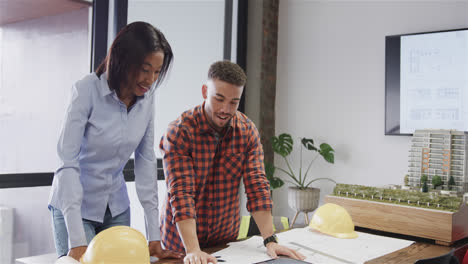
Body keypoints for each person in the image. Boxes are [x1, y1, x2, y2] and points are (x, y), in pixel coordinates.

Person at [48, 21, 182, 261]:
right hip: (76, 209)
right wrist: (77, 240)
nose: (150, 79)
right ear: (123, 60)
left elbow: (145, 160)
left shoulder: (147, 99)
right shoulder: (85, 91)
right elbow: (67, 163)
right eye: (144, 69)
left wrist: (154, 235)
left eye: (157, 71)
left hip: (116, 207)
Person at [159, 61, 306, 263]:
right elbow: (182, 193)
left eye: (233, 102)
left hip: (226, 243)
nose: (225, 109)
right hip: (181, 245)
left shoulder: (247, 131)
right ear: (204, 91)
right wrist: (193, 250)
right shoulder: (180, 131)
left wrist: (270, 240)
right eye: (219, 99)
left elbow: (257, 186)